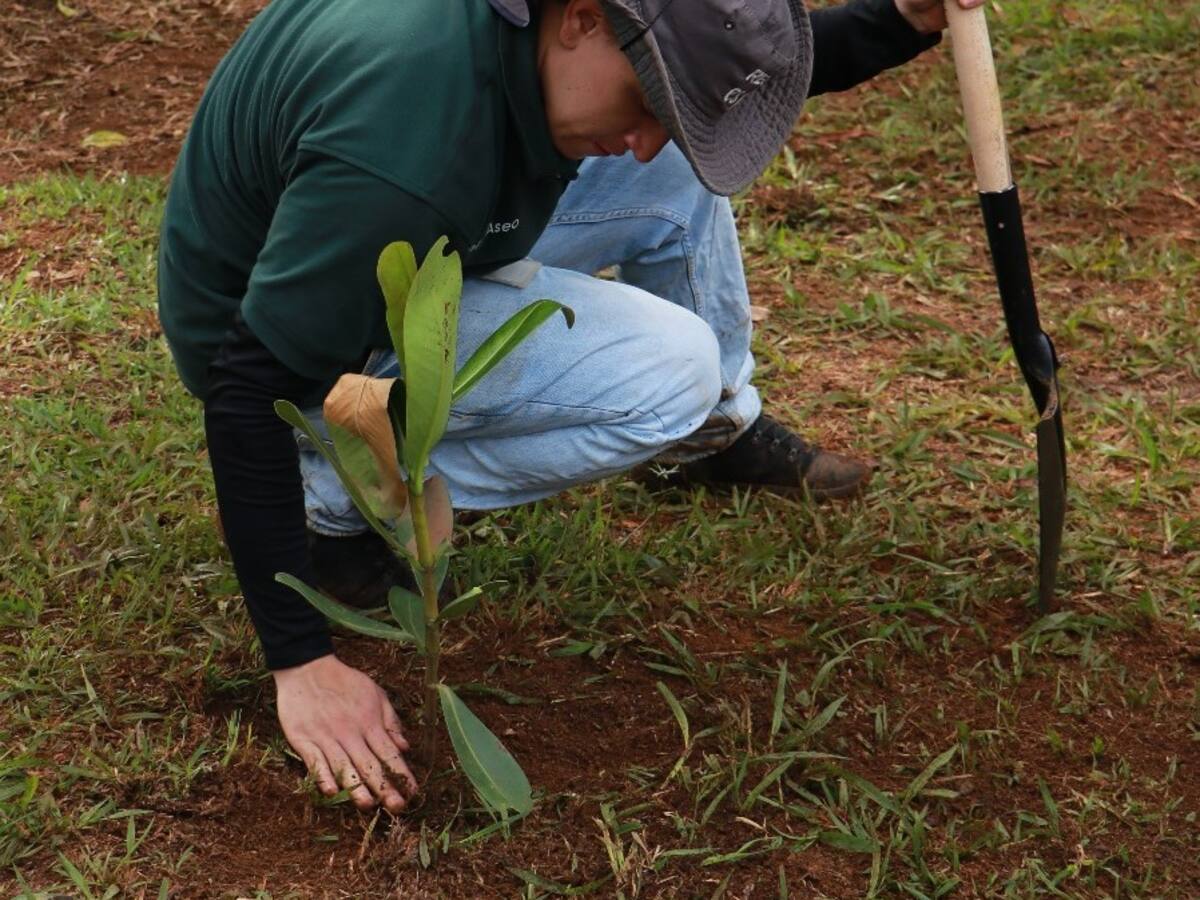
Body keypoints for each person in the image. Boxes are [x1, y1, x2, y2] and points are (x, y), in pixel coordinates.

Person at [157, 0, 984, 815]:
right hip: (290, 335)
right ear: (584, 19)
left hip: (354, 224)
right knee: (672, 374)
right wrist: (300, 663)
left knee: (682, 168)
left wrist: (901, 17)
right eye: (645, 101)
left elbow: (715, 74)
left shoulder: (533, 42)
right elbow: (243, 389)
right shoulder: (411, 157)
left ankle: (714, 438)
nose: (647, 133)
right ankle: (333, 497)